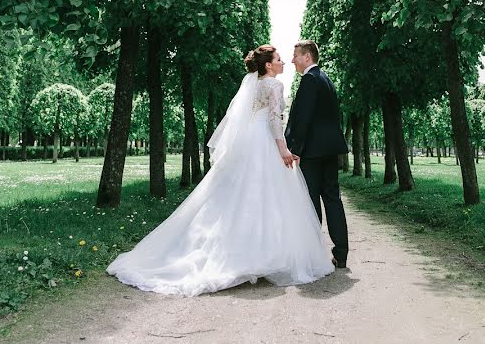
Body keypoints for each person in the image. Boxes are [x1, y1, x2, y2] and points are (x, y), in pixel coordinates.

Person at [106, 45, 334, 296]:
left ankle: (243, 252)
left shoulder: (253, 84)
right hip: (265, 143)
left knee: (240, 198)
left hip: (249, 142)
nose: (284, 63)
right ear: (268, 65)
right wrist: (284, 151)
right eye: (279, 59)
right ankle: (261, 255)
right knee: (265, 199)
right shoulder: (274, 85)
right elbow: (273, 121)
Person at [286, 40, 349, 268]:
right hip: (330, 151)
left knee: (311, 202)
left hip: (312, 153)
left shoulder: (309, 80)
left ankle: (314, 255)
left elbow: (304, 119)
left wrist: (295, 150)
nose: (292, 60)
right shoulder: (325, 79)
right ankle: (340, 254)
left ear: (307, 57)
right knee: (333, 200)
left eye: (295, 55)